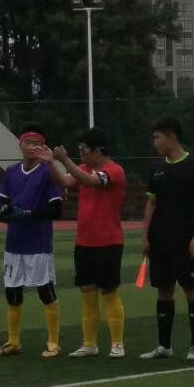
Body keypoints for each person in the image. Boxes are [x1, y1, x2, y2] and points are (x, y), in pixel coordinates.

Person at [50, 129, 128, 359]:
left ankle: (117, 343)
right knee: (87, 292)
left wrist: (65, 160)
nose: (81, 155)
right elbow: (65, 181)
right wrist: (49, 162)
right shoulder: (84, 168)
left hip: (108, 241)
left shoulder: (114, 170)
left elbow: (90, 182)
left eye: (84, 150)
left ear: (97, 151)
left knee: (109, 291)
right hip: (84, 241)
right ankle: (89, 343)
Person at [139, 117, 194, 361]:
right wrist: (146, 235)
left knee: (191, 287)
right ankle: (164, 346)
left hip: (185, 238)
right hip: (160, 239)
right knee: (163, 288)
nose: (155, 142)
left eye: (158, 137)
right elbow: (151, 203)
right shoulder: (156, 169)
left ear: (172, 136)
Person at [0, 128, 65, 358]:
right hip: (14, 243)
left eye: (37, 143)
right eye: (28, 142)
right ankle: (14, 342)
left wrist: (28, 213)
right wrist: (4, 212)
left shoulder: (48, 173)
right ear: (20, 145)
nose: (32, 146)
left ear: (43, 147)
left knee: (45, 290)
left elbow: (56, 208)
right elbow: (1, 203)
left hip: (38, 243)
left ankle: (53, 343)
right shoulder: (12, 171)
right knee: (12, 292)